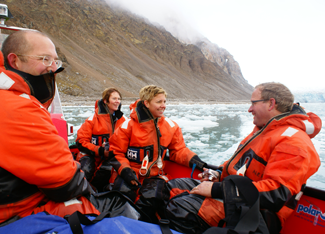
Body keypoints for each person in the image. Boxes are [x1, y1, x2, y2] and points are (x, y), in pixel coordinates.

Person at [0, 30, 139, 233]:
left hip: (0, 206)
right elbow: (69, 179)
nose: (53, 69)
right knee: (114, 201)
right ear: (14, 61)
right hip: (8, 217)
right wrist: (98, 154)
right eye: (45, 59)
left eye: (55, 61)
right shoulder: (18, 106)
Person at [166, 82, 322, 234]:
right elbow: (239, 166)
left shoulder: (293, 142)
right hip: (236, 196)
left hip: (257, 213)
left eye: (253, 103)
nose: (249, 109)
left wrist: (217, 189)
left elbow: (275, 194)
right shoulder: (263, 131)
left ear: (271, 103)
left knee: (182, 208)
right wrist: (219, 174)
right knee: (166, 188)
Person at [109, 85, 208, 222]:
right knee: (121, 196)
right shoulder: (127, 126)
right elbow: (116, 152)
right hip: (129, 173)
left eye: (165, 102)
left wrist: (197, 161)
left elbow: (178, 150)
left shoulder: (171, 126)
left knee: (153, 197)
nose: (163, 106)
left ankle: (141, 226)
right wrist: (125, 171)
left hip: (156, 175)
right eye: (159, 102)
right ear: (146, 103)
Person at [75, 87, 126, 191]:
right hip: (92, 155)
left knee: (109, 170)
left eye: (119, 99)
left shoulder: (124, 121)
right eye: (114, 98)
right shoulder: (92, 120)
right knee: (85, 170)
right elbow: (81, 141)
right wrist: (100, 150)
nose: (117, 101)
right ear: (106, 101)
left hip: (112, 157)